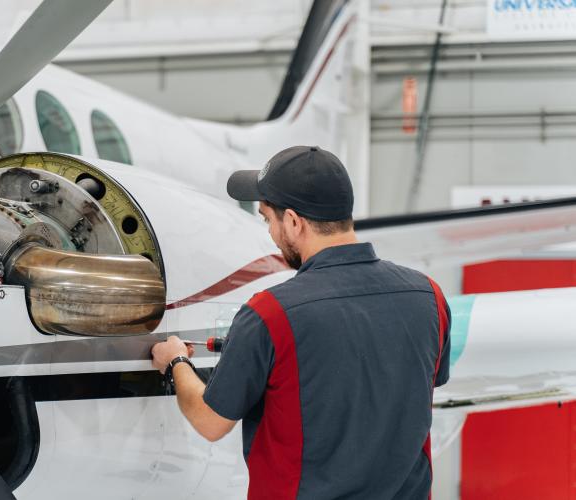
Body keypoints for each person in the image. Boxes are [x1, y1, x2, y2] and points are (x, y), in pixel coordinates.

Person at [151, 146, 451, 500]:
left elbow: (210, 421)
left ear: (293, 221)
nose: (271, 235)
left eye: (267, 219)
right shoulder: (429, 296)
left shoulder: (270, 314)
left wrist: (175, 362)